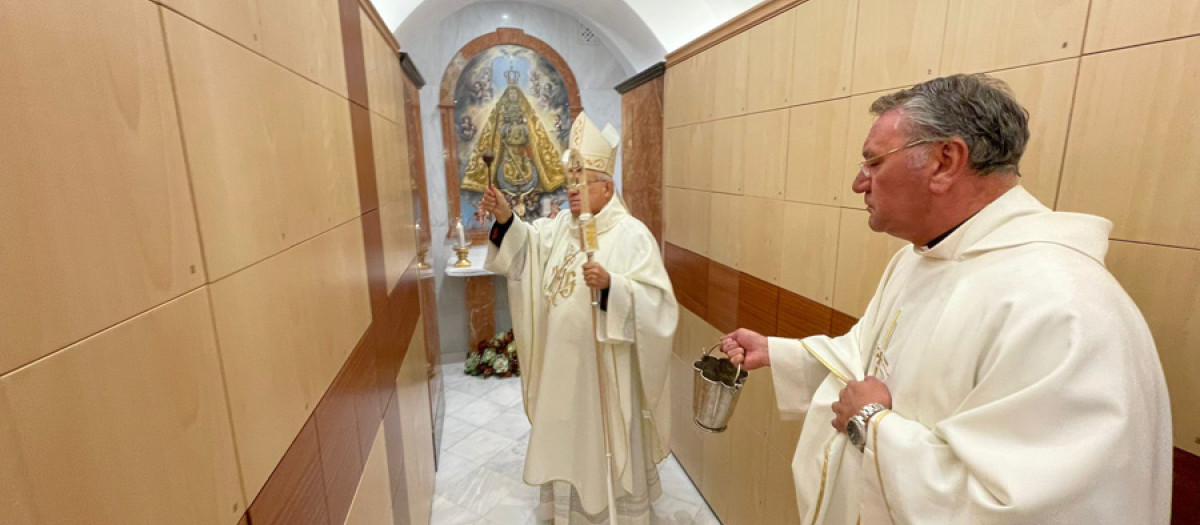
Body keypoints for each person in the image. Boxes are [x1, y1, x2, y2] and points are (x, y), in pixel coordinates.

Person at [720, 74, 1172, 524]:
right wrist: (781, 355)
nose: (860, 184)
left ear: (944, 161)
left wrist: (873, 426)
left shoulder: (1060, 305)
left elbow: (1030, 507)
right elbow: (867, 360)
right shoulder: (918, 259)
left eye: (874, 164)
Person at [480, 112, 678, 524]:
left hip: (603, 376)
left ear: (606, 188)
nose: (571, 191)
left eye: (580, 182)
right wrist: (504, 216)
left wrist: (612, 287)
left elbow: (659, 307)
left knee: (600, 440)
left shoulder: (631, 235)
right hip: (560, 371)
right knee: (566, 439)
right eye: (568, 182)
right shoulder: (559, 229)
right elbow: (526, 249)